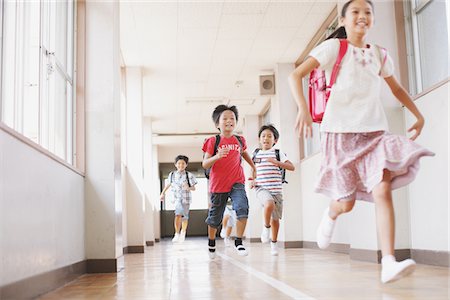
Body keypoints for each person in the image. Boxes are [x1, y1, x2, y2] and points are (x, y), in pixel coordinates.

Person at [288, 0, 434, 283]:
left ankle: (389, 261)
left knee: (383, 190)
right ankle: (331, 214)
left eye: (368, 12)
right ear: (343, 20)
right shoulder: (334, 49)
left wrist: (418, 114)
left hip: (375, 133)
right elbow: (296, 75)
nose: (362, 17)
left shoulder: (380, 54)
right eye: (355, 12)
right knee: (346, 203)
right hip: (339, 134)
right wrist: (303, 110)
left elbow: (396, 88)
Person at [202, 105, 257, 259]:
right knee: (215, 218)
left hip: (237, 182)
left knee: (242, 208)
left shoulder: (239, 140)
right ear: (217, 124)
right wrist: (217, 156)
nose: (229, 121)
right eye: (224, 118)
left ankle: (238, 242)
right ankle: (211, 242)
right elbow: (205, 164)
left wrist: (253, 166)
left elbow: (244, 153)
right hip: (218, 185)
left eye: (232, 118)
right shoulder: (213, 141)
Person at [253, 125, 295, 255]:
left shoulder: (278, 153)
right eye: (263, 136)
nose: (266, 138)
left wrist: (277, 163)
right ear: (259, 139)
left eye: (269, 136)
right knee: (268, 203)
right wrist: (252, 180)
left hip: (276, 190)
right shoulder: (256, 154)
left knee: (275, 219)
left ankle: (274, 244)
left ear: (275, 140)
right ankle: (266, 228)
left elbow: (291, 167)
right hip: (261, 188)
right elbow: (254, 170)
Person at [160, 155, 197, 243]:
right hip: (176, 198)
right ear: (175, 164)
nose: (181, 165)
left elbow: (194, 188)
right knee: (177, 214)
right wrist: (162, 193)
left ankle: (183, 232)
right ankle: (177, 234)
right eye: (179, 163)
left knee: (185, 217)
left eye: (183, 163)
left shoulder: (189, 175)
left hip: (186, 198)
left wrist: (188, 187)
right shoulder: (172, 174)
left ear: (186, 165)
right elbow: (168, 184)